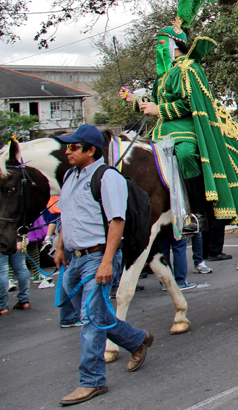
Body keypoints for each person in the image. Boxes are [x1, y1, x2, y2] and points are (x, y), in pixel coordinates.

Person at [119, 0, 238, 229]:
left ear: (175, 44)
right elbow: (152, 102)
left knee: (185, 155)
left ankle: (197, 212)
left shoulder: (188, 68)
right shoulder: (163, 76)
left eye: (161, 43)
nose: (157, 49)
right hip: (162, 132)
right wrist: (133, 100)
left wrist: (158, 109)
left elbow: (189, 103)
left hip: (186, 129)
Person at [53, 124, 153, 406]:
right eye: (68, 146)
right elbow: (67, 215)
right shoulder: (71, 176)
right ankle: (136, 339)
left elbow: (116, 221)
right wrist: (61, 247)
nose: (68, 151)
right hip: (75, 258)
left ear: (91, 150)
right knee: (89, 313)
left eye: (74, 147)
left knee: (90, 319)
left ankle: (92, 380)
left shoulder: (107, 178)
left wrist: (107, 262)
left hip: (98, 257)